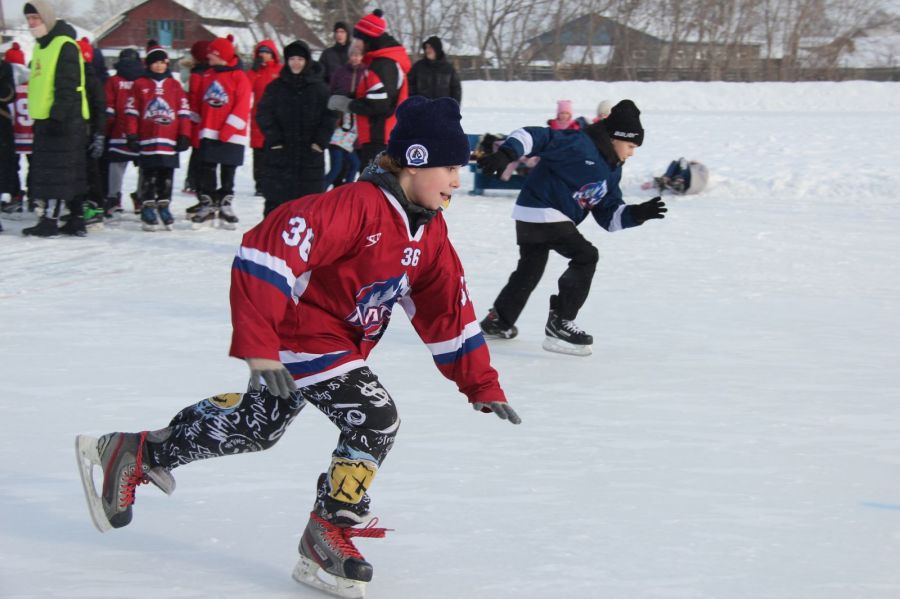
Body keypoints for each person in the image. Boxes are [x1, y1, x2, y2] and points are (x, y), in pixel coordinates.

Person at [75, 95, 519, 599]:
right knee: (374, 416)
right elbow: (268, 247)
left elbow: (448, 311)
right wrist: (259, 341)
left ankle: (136, 450)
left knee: (258, 426)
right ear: (415, 161)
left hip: (333, 343)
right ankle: (327, 532)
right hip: (304, 334)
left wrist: (480, 381)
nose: (457, 180)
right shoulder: (356, 206)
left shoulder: (430, 231)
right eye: (449, 167)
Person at [477, 99, 668, 356]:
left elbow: (609, 215)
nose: (632, 152)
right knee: (586, 256)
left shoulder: (612, 170)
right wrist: (507, 154)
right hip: (543, 209)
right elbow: (534, 135)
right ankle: (561, 321)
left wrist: (637, 213)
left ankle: (498, 321)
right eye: (631, 145)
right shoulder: (579, 145)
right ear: (615, 138)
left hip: (534, 215)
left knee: (530, 270)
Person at [21, 0, 91, 238]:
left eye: (35, 18)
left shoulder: (64, 45)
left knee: (56, 173)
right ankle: (75, 218)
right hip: (47, 117)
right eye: (29, 19)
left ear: (47, 19)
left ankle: (50, 220)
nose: (31, 23)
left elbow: (67, 85)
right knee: (68, 171)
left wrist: (57, 116)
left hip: (62, 119)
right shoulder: (41, 47)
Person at [255, 40, 334, 216]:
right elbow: (263, 114)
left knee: (309, 208)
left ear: (307, 61)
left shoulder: (320, 89)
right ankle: (271, 242)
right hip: (280, 155)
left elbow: (330, 117)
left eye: (300, 58)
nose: (296, 63)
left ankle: (307, 242)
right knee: (276, 207)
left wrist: (319, 143)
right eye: (292, 59)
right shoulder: (276, 88)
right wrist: (274, 139)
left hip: (309, 157)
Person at [327, 9, 411, 170]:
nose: (356, 45)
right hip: (379, 136)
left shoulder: (382, 64)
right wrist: (351, 97)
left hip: (379, 137)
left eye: (358, 40)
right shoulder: (383, 62)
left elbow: (379, 105)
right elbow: (376, 96)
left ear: (368, 40)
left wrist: (347, 104)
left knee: (376, 189)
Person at [125, 44, 191, 231]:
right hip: (147, 141)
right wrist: (132, 134)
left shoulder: (174, 85)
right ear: (149, 64)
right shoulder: (140, 84)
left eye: (162, 62)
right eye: (155, 63)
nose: (159, 66)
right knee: (148, 175)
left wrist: (184, 135)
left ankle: (164, 206)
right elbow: (132, 112)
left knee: (166, 176)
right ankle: (147, 206)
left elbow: (183, 112)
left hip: (169, 142)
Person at [191, 35, 251, 229]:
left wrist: (229, 129)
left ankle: (225, 203)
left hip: (231, 135)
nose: (209, 58)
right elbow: (199, 101)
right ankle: (208, 203)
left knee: (228, 169)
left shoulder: (239, 77)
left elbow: (242, 105)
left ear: (221, 56)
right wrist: (195, 122)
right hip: (209, 131)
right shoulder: (208, 75)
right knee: (207, 169)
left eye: (212, 55)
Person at [103, 48, 143, 216]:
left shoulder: (113, 80)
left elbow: (109, 106)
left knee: (117, 165)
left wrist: (106, 128)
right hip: (141, 129)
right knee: (144, 165)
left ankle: (114, 197)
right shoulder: (143, 80)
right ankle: (141, 197)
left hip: (119, 129)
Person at [324, 43, 364, 189]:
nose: (355, 58)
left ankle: (344, 192)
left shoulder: (365, 72)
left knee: (354, 165)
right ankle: (319, 192)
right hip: (340, 130)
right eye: (353, 55)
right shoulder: (341, 72)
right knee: (337, 168)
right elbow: (332, 93)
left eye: (358, 55)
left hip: (352, 132)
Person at [247, 39, 280, 197]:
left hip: (276, 114)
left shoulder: (279, 70)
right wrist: (254, 71)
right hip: (258, 115)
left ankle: (273, 180)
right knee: (258, 152)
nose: (264, 55)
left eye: (267, 52)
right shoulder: (255, 71)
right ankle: (259, 183)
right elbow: (247, 87)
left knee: (274, 149)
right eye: (261, 53)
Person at [1, 43, 32, 216]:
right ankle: (29, 196)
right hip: (29, 132)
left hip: (9, 128)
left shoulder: (6, 73)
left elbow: (8, 96)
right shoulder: (31, 80)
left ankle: (15, 195)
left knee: (9, 165)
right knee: (30, 166)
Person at [182, 39, 210, 196]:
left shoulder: (198, 73)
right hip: (201, 117)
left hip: (198, 116)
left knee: (198, 151)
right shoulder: (201, 74)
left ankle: (193, 180)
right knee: (200, 151)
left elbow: (192, 96)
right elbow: (193, 96)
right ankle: (195, 181)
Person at [407, 36, 461, 104]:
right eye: (426, 47)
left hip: (442, 110)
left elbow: (456, 90)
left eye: (430, 47)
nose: (427, 50)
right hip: (422, 110)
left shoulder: (448, 68)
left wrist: (453, 109)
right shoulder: (418, 67)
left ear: (437, 49)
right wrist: (414, 104)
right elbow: (410, 86)